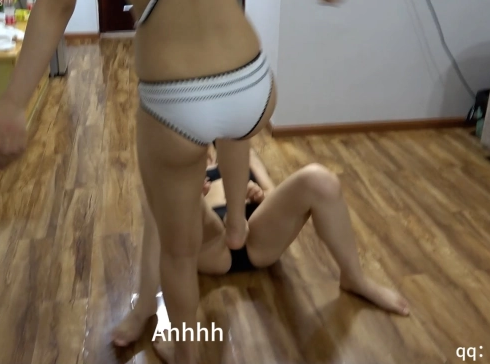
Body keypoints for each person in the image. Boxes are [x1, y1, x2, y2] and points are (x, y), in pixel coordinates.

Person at [0, 0, 345, 362]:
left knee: (177, 250)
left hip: (176, 97)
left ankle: (187, 351)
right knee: (236, 129)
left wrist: (13, 101)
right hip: (250, 82)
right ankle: (237, 219)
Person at [111, 146, 410, 362]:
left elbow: (271, 191)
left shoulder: (245, 154)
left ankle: (354, 277)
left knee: (320, 179)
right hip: (210, 243)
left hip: (254, 236)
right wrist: (189, 195)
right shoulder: (184, 156)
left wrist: (258, 193)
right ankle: (144, 309)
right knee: (162, 193)